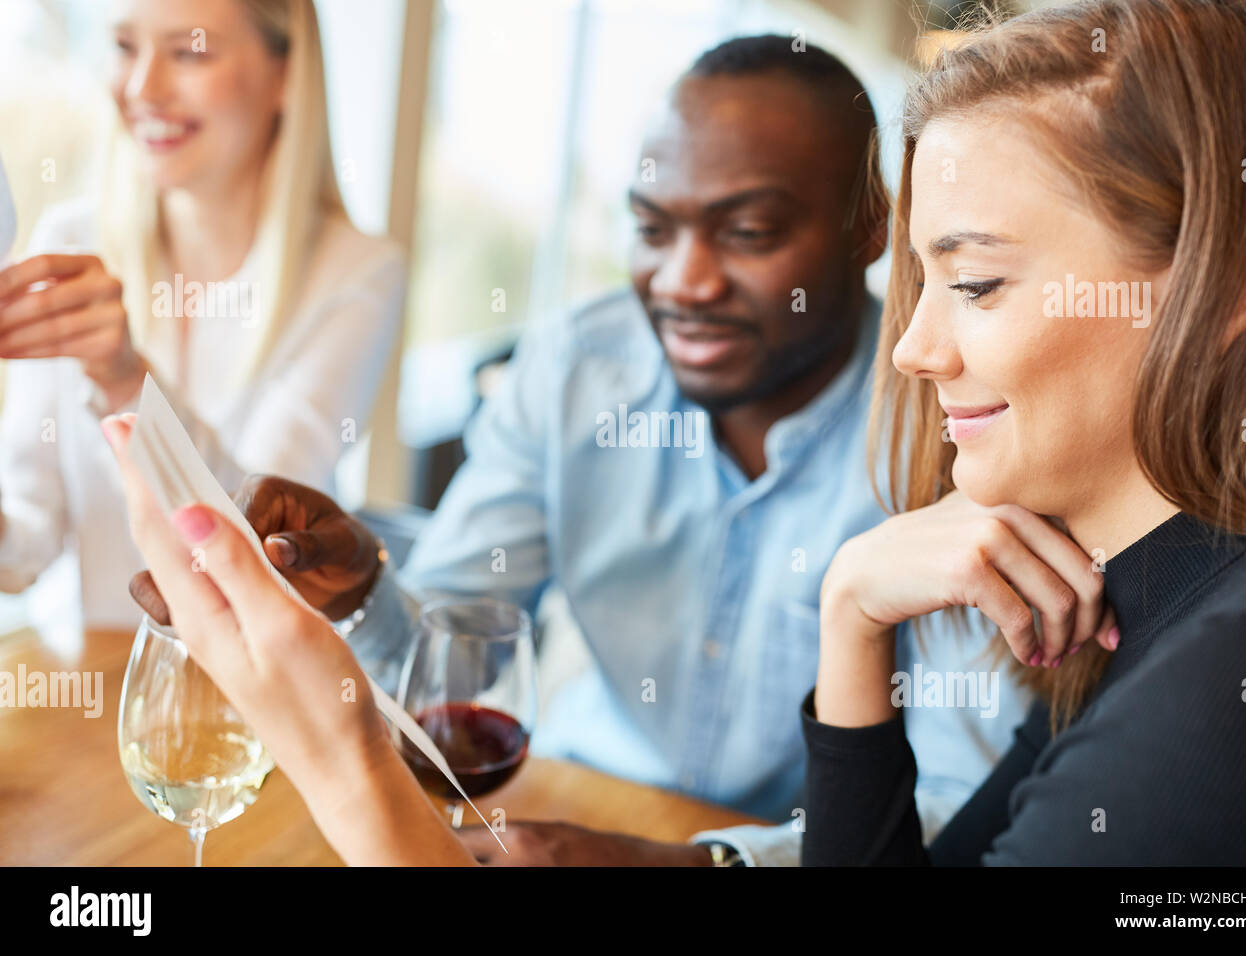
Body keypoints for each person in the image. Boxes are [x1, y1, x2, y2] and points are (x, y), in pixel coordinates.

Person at [126, 36, 1037, 866]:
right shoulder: (574, 368)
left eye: (749, 233)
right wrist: (364, 591)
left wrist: (696, 864)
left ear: (869, 227)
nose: (684, 281)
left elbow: (963, 803)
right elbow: (452, 659)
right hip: (557, 808)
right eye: (652, 229)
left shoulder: (956, 422)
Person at [802, 0, 1246, 866]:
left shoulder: (1230, 691)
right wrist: (851, 611)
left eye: (978, 282)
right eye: (923, 281)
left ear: (1219, 290)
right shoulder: (1150, 603)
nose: (915, 350)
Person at [0, 0, 403, 630]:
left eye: (190, 52)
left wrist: (124, 382)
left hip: (252, 706)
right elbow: (22, 550)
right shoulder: (70, 243)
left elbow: (264, 542)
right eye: (126, 47)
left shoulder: (357, 275)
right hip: (101, 696)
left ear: (285, 75)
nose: (141, 89)